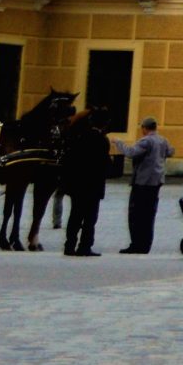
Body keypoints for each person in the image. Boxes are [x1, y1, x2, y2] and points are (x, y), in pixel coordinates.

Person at [60, 109, 112, 257]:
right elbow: (104, 164)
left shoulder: (79, 137)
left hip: (77, 184)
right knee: (89, 218)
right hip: (93, 185)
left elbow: (69, 159)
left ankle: (69, 245)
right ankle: (85, 246)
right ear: (104, 124)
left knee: (75, 215)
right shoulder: (102, 140)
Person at [118, 115, 173, 254]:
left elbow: (131, 153)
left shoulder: (146, 141)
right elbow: (171, 151)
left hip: (143, 182)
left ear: (144, 128)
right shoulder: (163, 140)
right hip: (157, 181)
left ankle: (136, 244)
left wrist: (119, 143)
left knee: (136, 214)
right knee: (149, 214)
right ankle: (146, 244)